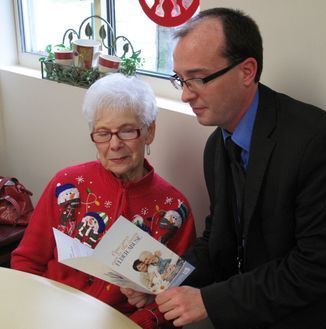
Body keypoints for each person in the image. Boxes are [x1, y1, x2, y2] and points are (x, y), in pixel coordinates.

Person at [122, 7, 326, 329]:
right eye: (181, 80)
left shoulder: (319, 145)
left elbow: (315, 267)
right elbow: (219, 241)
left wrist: (208, 301)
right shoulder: (217, 145)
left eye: (198, 79)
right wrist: (162, 278)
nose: (185, 95)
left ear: (247, 71)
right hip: (276, 300)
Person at [11, 73, 196, 329]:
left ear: (149, 132)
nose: (115, 144)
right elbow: (26, 260)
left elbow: (171, 300)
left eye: (127, 131)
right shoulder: (66, 184)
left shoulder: (174, 209)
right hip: (50, 313)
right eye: (103, 133)